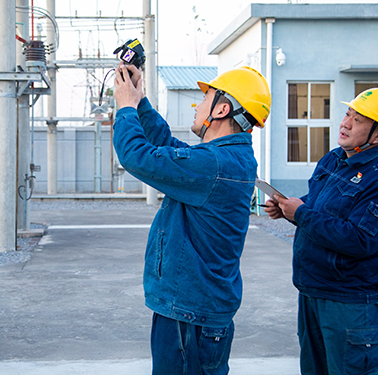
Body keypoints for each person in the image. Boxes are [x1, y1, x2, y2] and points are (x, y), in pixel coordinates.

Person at [112, 62, 271, 374]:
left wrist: (127, 109)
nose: (198, 105)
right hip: (197, 310)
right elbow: (169, 148)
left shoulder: (214, 164)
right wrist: (141, 101)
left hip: (189, 315)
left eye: (206, 97)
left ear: (222, 109)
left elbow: (137, 156)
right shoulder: (228, 158)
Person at [264, 86, 378, 375]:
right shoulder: (334, 159)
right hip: (313, 289)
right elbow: (319, 204)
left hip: (349, 300)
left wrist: (301, 214)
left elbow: (361, 239)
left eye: (359, 120)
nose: (345, 123)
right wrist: (290, 208)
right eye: (347, 113)